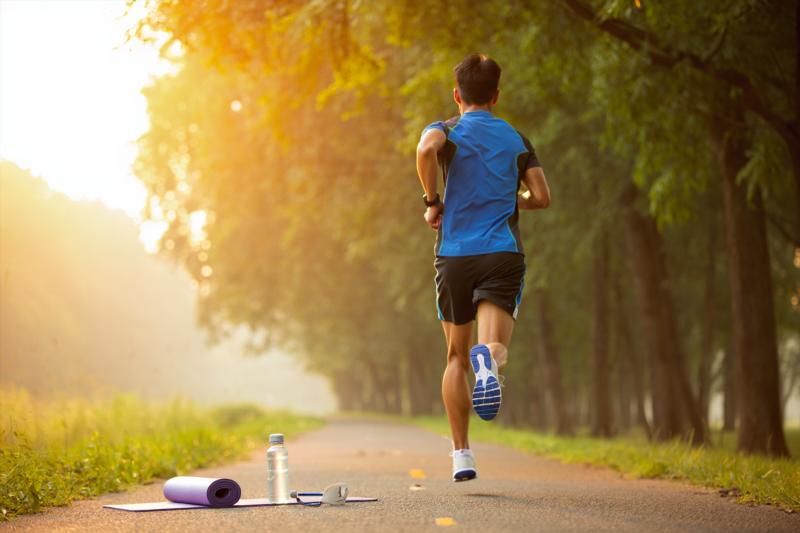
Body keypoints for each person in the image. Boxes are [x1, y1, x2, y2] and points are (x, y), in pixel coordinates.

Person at [415, 53, 551, 482]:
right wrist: (517, 198)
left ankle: (461, 455)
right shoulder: (516, 138)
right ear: (495, 96)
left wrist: (432, 201)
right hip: (501, 254)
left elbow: (425, 150)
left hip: (454, 255)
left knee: (456, 356)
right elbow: (542, 196)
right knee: (493, 349)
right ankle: (488, 365)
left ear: (457, 95)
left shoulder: (446, 128)